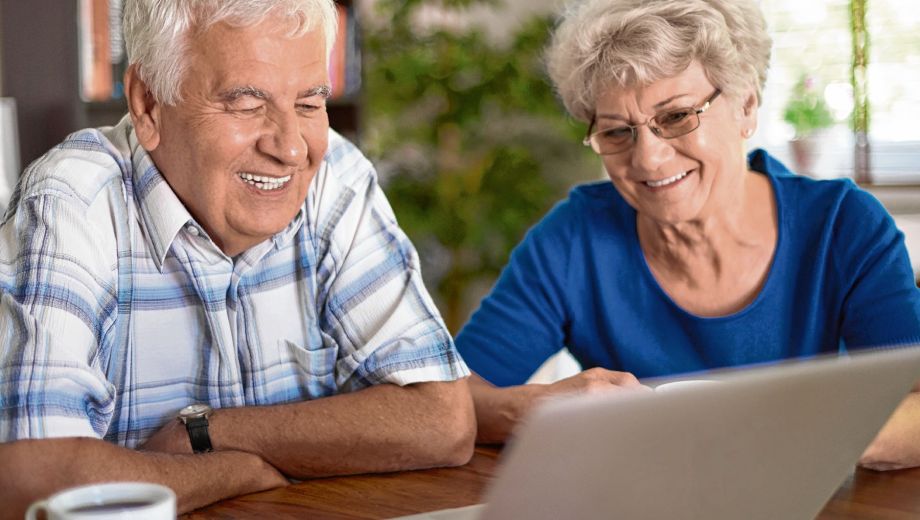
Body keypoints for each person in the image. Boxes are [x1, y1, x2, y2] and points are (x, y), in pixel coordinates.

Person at [0, 0, 474, 516]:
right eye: (247, 104)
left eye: (309, 103)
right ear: (148, 104)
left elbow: (441, 419)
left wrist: (204, 434)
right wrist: (234, 472)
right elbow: (30, 476)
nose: (291, 149)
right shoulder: (72, 200)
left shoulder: (333, 174)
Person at [455, 0, 920, 470]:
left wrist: (781, 430)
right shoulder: (572, 239)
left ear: (746, 106)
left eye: (677, 117)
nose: (648, 159)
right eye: (616, 132)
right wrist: (539, 410)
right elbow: (455, 398)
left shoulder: (841, 226)